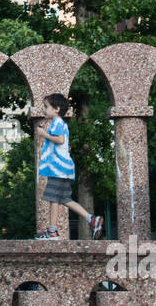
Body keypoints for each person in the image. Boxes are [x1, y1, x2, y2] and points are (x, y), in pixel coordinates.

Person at [36, 94, 105, 240]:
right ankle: (92, 220)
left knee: (53, 199)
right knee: (65, 199)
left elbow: (60, 140)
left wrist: (43, 134)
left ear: (57, 109)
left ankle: (52, 231)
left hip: (58, 169)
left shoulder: (56, 122)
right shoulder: (59, 122)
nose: (44, 109)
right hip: (62, 169)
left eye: (46, 107)